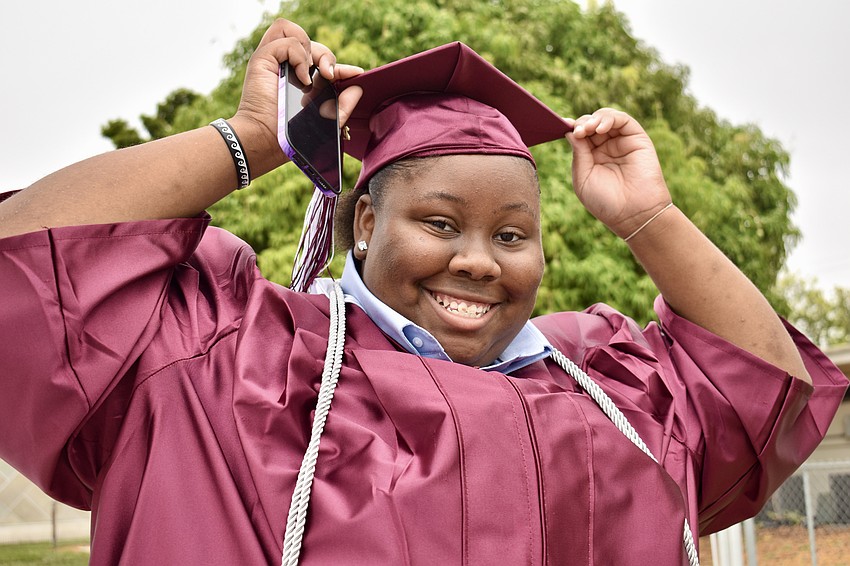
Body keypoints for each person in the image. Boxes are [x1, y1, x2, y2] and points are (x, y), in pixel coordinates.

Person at [0, 18, 845, 566]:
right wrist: (254, 139)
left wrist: (651, 216)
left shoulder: (608, 389)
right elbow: (33, 267)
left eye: (512, 235)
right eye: (439, 224)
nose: (480, 261)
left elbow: (763, 387)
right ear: (362, 222)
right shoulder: (235, 356)